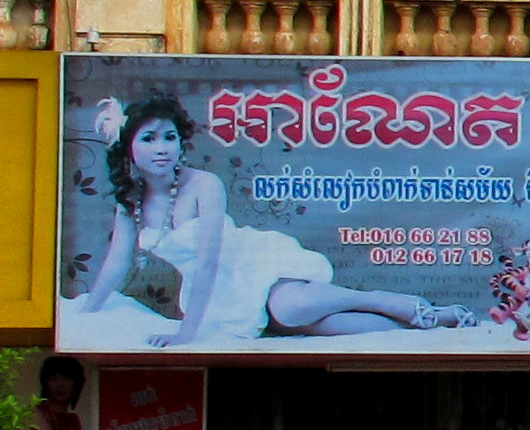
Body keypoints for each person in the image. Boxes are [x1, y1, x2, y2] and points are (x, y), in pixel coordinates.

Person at [72, 94, 464, 345]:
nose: (162, 149)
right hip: (214, 293)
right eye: (149, 139)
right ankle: (425, 325)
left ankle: (381, 300)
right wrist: (85, 316)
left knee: (291, 309)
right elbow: (116, 264)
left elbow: (209, 258)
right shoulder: (130, 204)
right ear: (127, 148)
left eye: (170, 137)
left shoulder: (203, 184)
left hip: (251, 263)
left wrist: (186, 333)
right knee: (314, 327)